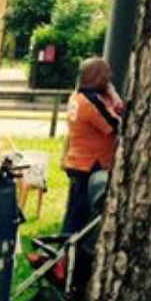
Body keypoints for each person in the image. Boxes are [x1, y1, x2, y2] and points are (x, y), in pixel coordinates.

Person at [61, 58, 124, 235]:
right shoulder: (92, 102)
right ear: (95, 77)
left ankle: (66, 245)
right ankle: (70, 247)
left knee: (75, 213)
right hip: (91, 165)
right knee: (83, 216)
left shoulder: (76, 97)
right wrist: (114, 96)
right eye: (106, 74)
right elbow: (117, 125)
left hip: (78, 161)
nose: (110, 78)